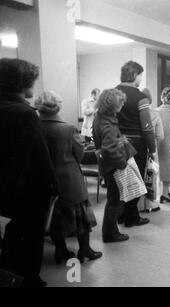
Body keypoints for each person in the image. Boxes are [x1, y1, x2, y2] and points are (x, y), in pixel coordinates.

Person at [0, 58, 57, 287]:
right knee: (29, 243)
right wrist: (53, 188)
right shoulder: (24, 113)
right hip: (26, 194)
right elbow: (38, 160)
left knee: (9, 242)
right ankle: (29, 280)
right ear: (21, 82)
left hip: (3, 190)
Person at [36, 92, 102, 264]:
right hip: (70, 181)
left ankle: (61, 250)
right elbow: (79, 155)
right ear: (57, 106)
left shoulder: (34, 127)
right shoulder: (68, 129)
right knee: (82, 219)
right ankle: (85, 250)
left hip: (44, 181)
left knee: (56, 219)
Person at [116, 61, 156, 228]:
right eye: (140, 75)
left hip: (116, 143)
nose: (141, 78)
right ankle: (132, 217)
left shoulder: (112, 93)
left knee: (120, 180)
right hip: (136, 145)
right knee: (136, 179)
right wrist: (152, 149)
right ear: (134, 75)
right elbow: (147, 127)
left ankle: (121, 215)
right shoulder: (140, 98)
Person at [93, 89, 133, 243]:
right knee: (114, 200)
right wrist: (122, 164)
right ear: (112, 105)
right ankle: (110, 233)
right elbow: (109, 148)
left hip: (106, 165)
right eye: (121, 102)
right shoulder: (108, 123)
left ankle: (111, 230)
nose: (123, 105)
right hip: (113, 166)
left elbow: (106, 144)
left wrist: (119, 140)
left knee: (113, 199)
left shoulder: (101, 118)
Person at [142, 88, 164, 212]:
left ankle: (139, 205)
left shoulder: (133, 113)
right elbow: (160, 135)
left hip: (137, 149)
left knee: (139, 175)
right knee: (153, 175)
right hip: (151, 148)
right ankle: (151, 204)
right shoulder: (155, 113)